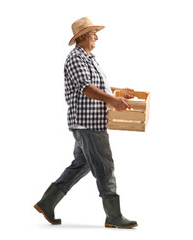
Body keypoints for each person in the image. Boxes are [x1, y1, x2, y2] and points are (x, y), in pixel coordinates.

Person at [33, 17, 138, 229]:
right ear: (81, 37)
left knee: (81, 164)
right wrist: (113, 101)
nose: (96, 37)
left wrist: (117, 93)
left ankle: (47, 202)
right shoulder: (75, 58)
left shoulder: (89, 58)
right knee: (105, 166)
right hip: (88, 123)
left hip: (89, 122)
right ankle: (113, 216)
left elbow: (98, 86)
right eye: (93, 34)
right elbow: (86, 88)